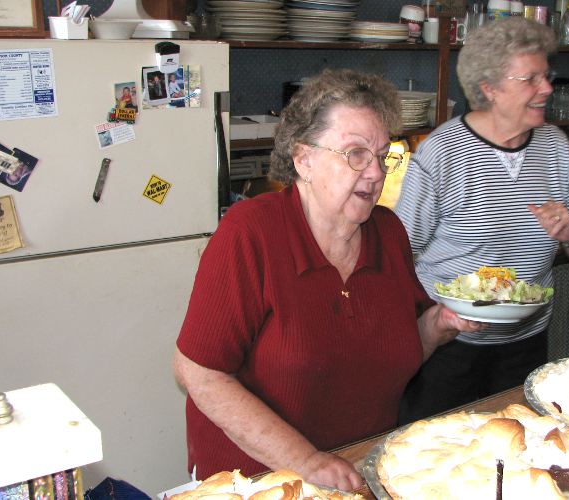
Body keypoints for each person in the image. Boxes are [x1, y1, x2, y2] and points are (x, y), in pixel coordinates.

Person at [172, 68, 483, 491]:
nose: (375, 173)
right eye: (355, 154)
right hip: (253, 479)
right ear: (304, 160)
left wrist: (440, 324)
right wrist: (306, 461)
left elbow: (399, 349)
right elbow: (196, 372)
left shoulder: (388, 233)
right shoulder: (252, 233)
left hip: (358, 468)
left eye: (382, 155)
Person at [394, 16, 569, 424]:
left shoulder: (556, 147)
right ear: (489, 88)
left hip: (527, 341)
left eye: (546, 76)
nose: (547, 89)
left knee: (515, 451)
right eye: (530, 79)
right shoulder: (442, 153)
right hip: (449, 346)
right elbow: (400, 252)